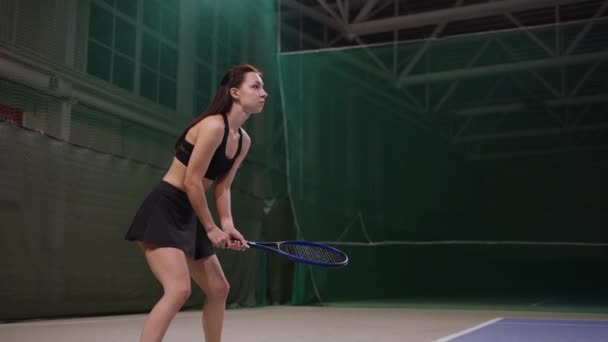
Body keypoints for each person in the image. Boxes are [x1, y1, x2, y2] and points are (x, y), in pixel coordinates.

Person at [125, 64, 268, 342]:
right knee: (179, 289)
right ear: (235, 92)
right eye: (256, 86)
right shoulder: (213, 126)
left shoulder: (242, 141)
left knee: (218, 288)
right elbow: (192, 181)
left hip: (191, 209)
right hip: (165, 207)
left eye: (262, 87)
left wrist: (227, 225)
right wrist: (211, 228)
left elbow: (222, 187)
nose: (264, 93)